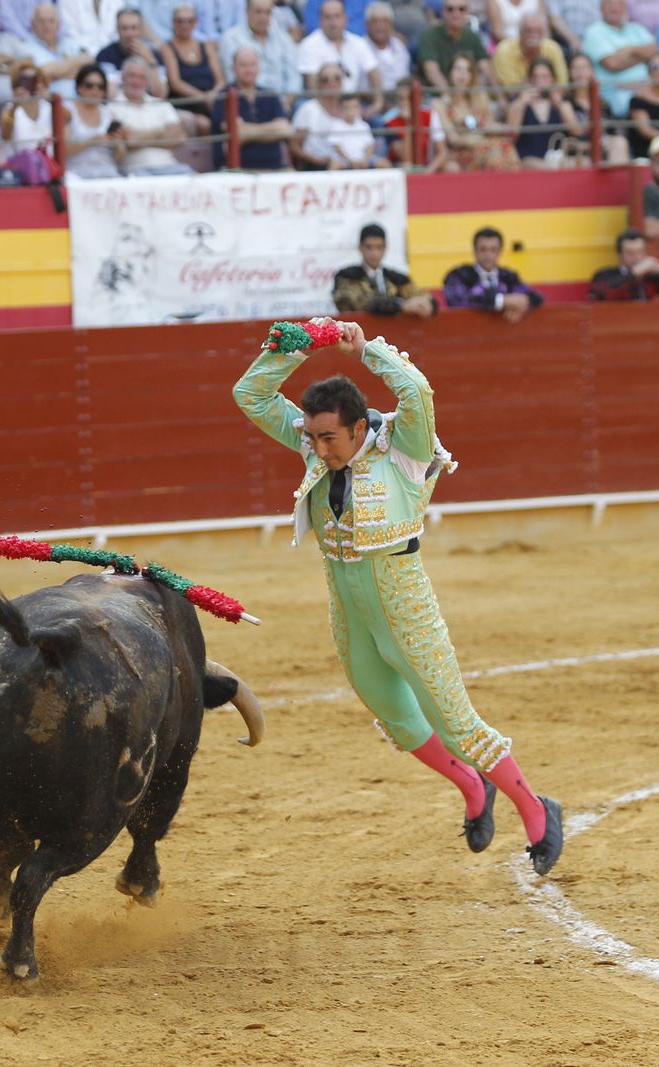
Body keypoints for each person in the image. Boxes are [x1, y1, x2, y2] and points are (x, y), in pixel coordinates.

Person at [232, 319, 566, 877]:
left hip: (403, 603)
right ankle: (471, 786)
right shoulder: (317, 444)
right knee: (392, 711)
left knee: (455, 719)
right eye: (311, 437)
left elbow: (417, 392)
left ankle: (536, 808)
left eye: (328, 439)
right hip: (349, 606)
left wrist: (366, 351)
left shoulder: (404, 448)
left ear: (360, 427)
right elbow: (251, 394)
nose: (315, 449)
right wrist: (302, 346)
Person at [108, 53, 193, 173]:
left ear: (147, 80)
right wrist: (161, 133)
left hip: (169, 165)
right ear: (122, 77)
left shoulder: (162, 105)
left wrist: (138, 137)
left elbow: (180, 138)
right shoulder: (112, 108)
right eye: (131, 76)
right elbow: (129, 141)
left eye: (141, 77)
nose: (136, 81)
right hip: (134, 169)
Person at [332, 222, 436, 317]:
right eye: (369, 247)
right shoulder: (347, 276)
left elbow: (424, 297)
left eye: (379, 247)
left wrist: (425, 303)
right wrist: (401, 305)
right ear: (360, 248)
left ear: (385, 248)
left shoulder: (397, 278)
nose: (374, 253)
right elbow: (361, 303)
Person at [437, 51, 519, 170]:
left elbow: (489, 125)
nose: (462, 74)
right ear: (450, 73)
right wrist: (474, 140)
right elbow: (453, 139)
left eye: (468, 70)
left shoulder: (480, 99)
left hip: (484, 145)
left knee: (505, 145)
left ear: (472, 76)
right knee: (494, 152)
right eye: (458, 69)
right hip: (460, 151)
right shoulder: (441, 104)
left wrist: (503, 128)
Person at [441, 226, 543, 321]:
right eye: (483, 249)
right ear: (475, 251)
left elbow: (536, 297)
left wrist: (524, 302)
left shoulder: (508, 276)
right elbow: (457, 300)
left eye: (493, 250)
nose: (488, 255)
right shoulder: (459, 275)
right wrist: (502, 301)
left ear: (500, 252)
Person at [211, 45, 290, 167]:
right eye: (243, 65)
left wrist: (247, 133)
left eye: (252, 65)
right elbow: (233, 131)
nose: (249, 69)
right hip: (235, 171)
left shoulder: (270, 95)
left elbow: (284, 129)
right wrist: (271, 130)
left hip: (274, 168)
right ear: (233, 68)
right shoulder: (224, 96)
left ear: (259, 67)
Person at [583, 0, 658, 117]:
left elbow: (656, 50)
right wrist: (642, 56)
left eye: (619, 4)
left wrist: (631, 50)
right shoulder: (594, 32)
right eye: (609, 4)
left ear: (625, 8)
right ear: (601, 8)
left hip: (646, 89)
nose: (614, 8)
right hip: (616, 94)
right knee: (641, 104)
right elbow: (612, 64)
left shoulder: (636, 28)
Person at [297, 0, 378, 98]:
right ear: (320, 19)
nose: (333, 22)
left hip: (354, 102)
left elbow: (374, 72)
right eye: (328, 17)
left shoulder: (358, 42)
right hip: (324, 104)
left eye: (337, 16)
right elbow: (312, 85)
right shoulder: (309, 45)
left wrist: (377, 104)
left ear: (345, 18)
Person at [219, 0, 300, 95]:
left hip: (284, 99)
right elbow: (233, 78)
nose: (263, 17)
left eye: (267, 12)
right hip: (249, 99)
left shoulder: (284, 38)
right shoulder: (231, 38)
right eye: (258, 12)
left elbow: (294, 76)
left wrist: (287, 101)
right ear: (247, 12)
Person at [588, 227, 659, 299]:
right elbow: (603, 295)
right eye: (630, 253)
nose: (636, 257)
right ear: (619, 254)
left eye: (640, 251)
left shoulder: (651, 277)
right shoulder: (605, 275)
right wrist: (634, 273)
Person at [511, 57, 580, 166]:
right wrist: (521, 104)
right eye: (535, 76)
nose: (539, 80)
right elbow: (512, 135)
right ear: (529, 79)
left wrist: (560, 105)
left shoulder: (562, 103)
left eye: (545, 76)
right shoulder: (519, 103)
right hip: (528, 161)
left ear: (552, 78)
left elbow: (576, 131)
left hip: (558, 159)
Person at [565, 50, 632, 162]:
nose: (580, 72)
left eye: (584, 67)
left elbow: (614, 131)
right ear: (569, 72)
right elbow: (576, 131)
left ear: (592, 72)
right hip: (578, 153)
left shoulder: (603, 103)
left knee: (620, 142)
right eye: (575, 68)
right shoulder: (566, 102)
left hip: (604, 150)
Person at [20, 2, 91, 100]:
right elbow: (41, 74)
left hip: (80, 103)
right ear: (32, 24)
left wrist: (54, 73)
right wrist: (75, 64)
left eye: (51, 21)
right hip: (48, 104)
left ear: (58, 24)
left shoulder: (69, 43)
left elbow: (89, 61)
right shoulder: (24, 48)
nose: (47, 26)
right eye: (42, 21)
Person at [63, 61, 122, 177]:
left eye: (100, 87)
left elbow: (118, 158)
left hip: (108, 173)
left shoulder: (109, 114)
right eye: (89, 86)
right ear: (79, 87)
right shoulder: (68, 111)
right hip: (76, 175)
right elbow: (62, 150)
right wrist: (90, 142)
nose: (95, 91)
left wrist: (118, 145)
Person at [418, 0, 494, 90]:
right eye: (450, 9)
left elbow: (485, 67)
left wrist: (501, 99)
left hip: (466, 96)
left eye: (461, 9)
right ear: (443, 12)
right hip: (436, 96)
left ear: (468, 12)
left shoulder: (472, 36)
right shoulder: (430, 35)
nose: (456, 13)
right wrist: (451, 97)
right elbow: (431, 71)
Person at [95, 6, 164, 94]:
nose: (129, 34)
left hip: (150, 106)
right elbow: (110, 93)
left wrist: (151, 61)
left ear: (141, 30)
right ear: (117, 29)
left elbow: (160, 93)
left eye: (134, 28)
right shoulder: (105, 55)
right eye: (124, 28)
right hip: (119, 106)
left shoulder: (154, 55)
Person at [493, 10, 567, 87]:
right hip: (516, 98)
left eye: (538, 31)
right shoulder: (504, 51)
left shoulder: (553, 48)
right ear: (520, 32)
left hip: (550, 96)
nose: (534, 36)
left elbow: (562, 83)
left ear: (544, 34)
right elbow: (510, 89)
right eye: (529, 31)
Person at [360, 1, 409, 91]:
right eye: (375, 21)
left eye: (385, 21)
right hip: (370, 101)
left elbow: (404, 77)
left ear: (391, 24)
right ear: (367, 24)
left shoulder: (399, 45)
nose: (380, 26)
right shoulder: (360, 47)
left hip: (399, 99)